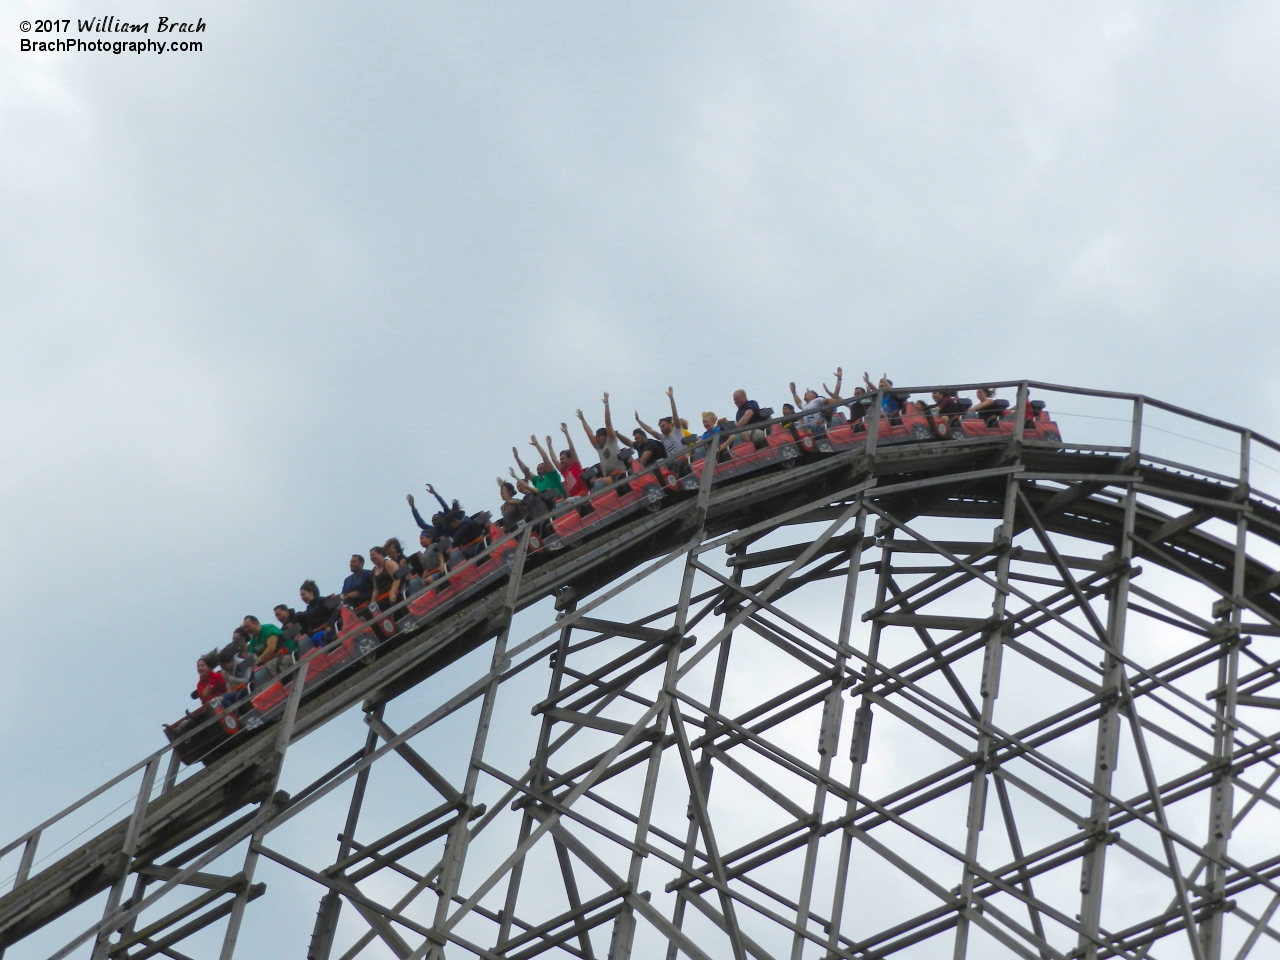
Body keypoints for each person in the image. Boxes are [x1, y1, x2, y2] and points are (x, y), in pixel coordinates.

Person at [576, 393, 626, 487]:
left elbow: (608, 422)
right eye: (597, 437)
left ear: (606, 436)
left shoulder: (611, 441)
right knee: (596, 485)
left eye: (599, 436)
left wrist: (606, 404)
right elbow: (589, 433)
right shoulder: (599, 448)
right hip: (609, 477)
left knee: (599, 485)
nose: (597, 439)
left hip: (620, 474)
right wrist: (582, 419)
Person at [556, 423, 589, 497]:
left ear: (570, 458)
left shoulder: (575, 466)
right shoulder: (564, 472)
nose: (561, 461)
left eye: (563, 459)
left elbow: (572, 448)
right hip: (574, 499)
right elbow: (553, 460)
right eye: (560, 459)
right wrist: (549, 446)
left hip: (583, 494)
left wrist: (566, 433)